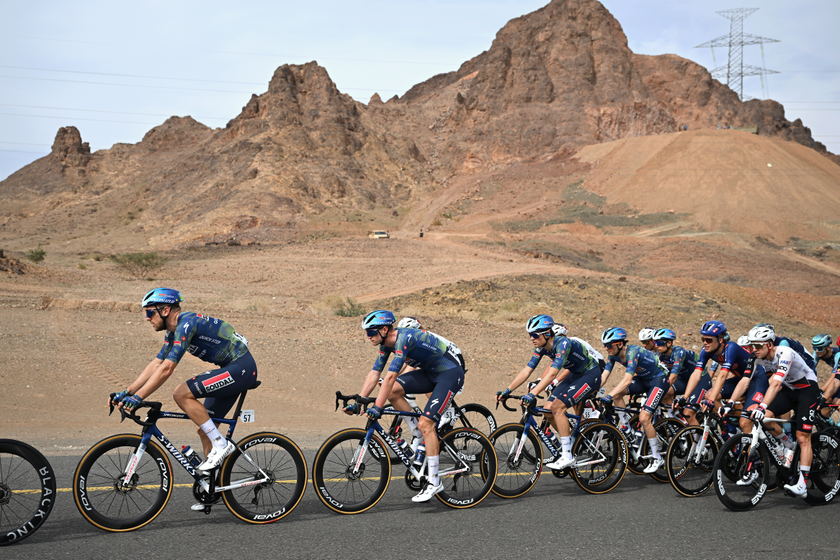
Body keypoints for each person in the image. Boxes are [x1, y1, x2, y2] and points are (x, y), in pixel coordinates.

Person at [110, 288, 257, 510]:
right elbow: (156, 364)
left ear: (165, 309)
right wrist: (129, 392)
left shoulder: (186, 324)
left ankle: (221, 445)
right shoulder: (174, 331)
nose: (147, 318)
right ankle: (212, 488)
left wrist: (140, 396)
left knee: (181, 393)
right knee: (204, 428)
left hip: (241, 367)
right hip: (231, 368)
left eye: (150, 313)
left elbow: (168, 369)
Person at [349, 310, 465, 503]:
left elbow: (392, 375)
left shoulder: (404, 338)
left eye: (371, 333)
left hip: (450, 373)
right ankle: (417, 434)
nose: (368, 337)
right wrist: (360, 400)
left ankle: (435, 482)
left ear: (384, 329)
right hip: (430, 372)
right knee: (394, 391)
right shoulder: (386, 344)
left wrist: (377, 407)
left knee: (427, 424)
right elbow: (375, 373)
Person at [497, 315, 601, 471]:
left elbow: (552, 374)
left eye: (534, 335)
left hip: (590, 375)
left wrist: (532, 394)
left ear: (546, 334)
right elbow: (527, 371)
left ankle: (567, 456)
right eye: (529, 335)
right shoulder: (540, 348)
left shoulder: (563, 343)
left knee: (558, 408)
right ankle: (571, 442)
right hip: (573, 374)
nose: (531, 338)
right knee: (548, 409)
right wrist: (507, 390)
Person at [749, 325, 820, 497]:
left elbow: (776, 383)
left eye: (758, 346)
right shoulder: (759, 359)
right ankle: (787, 444)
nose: (754, 349)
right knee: (764, 418)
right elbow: (760, 384)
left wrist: (762, 405)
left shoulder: (784, 353)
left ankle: (802, 484)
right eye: (752, 345)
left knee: (803, 437)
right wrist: (757, 404)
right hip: (789, 390)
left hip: (807, 389)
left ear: (769, 344)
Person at [600, 327, 671, 474]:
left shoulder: (633, 352)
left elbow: (627, 380)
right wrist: (593, 391)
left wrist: (609, 396)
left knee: (644, 418)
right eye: (604, 345)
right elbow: (604, 376)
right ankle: (626, 428)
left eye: (609, 345)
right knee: (618, 395)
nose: (606, 348)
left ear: (620, 344)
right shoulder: (613, 355)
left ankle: (657, 457)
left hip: (659, 379)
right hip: (644, 379)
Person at [653, 328, 710, 425]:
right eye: (655, 342)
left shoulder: (679, 353)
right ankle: (674, 420)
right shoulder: (661, 355)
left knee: (688, 413)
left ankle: (699, 439)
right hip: (684, 379)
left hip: (700, 380)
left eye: (659, 343)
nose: (656, 346)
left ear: (669, 343)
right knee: (665, 392)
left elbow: (673, 377)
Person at [812, 334, 840, 419]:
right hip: (838, 379)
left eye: (820, 348)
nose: (817, 351)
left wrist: (821, 391)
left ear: (828, 347)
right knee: (826, 401)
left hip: (837, 379)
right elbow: (810, 370)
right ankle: (829, 427)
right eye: (814, 348)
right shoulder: (817, 353)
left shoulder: (838, 355)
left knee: (836, 402)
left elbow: (833, 377)